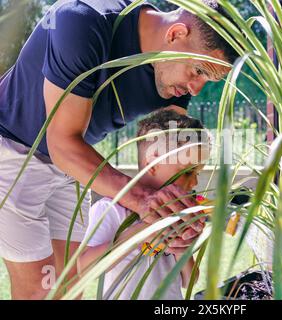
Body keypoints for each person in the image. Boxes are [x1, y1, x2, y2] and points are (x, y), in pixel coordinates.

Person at [0, 0, 237, 299]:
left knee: (67, 287)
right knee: (38, 290)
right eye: (199, 71)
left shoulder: (175, 77)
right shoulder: (83, 21)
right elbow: (60, 143)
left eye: (208, 79)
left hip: (68, 166)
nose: (196, 89)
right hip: (11, 148)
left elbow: (170, 156)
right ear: (176, 34)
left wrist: (180, 221)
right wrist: (147, 203)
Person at [78, 109, 210, 299]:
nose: (195, 183)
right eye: (188, 172)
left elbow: (189, 281)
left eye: (197, 173)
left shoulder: (177, 214)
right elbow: (85, 268)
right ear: (153, 162)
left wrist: (183, 250)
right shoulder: (112, 209)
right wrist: (140, 233)